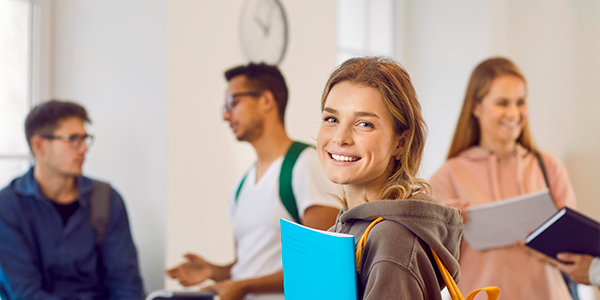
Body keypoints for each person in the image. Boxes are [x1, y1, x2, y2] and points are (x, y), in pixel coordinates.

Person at [166, 63, 341, 300]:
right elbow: (252, 266)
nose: (226, 115)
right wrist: (215, 271)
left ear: (266, 101)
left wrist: (244, 286)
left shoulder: (305, 164)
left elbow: (316, 261)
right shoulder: (241, 187)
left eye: (233, 103)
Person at [430, 57, 578, 300]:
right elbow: (434, 265)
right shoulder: (447, 176)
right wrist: (440, 227)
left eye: (520, 102)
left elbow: (573, 250)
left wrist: (545, 243)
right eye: (502, 103)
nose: (513, 113)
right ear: (475, 107)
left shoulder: (549, 167)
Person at [316, 56, 463, 299]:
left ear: (401, 142)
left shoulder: (392, 242)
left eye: (364, 124)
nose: (340, 137)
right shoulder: (345, 228)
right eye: (331, 119)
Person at [0, 100, 144, 299]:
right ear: (39, 145)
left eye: (85, 139)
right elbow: (25, 293)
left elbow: (125, 283)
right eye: (73, 139)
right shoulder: (7, 207)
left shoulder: (107, 200)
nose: (84, 148)